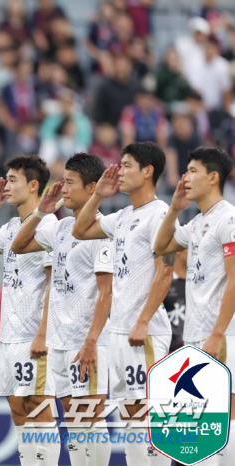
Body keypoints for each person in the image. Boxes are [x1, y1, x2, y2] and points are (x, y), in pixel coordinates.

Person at [71, 142, 174, 466]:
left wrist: (143, 321)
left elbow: (165, 271)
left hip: (143, 332)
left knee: (145, 413)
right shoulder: (124, 215)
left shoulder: (159, 214)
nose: (120, 171)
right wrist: (98, 195)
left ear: (148, 171)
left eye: (127, 165)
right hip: (120, 332)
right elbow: (80, 228)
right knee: (131, 414)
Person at [11, 153, 114, 466]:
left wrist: (92, 341)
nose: (63, 188)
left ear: (93, 187)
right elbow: (18, 245)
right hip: (60, 342)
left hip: (87, 341)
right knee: (73, 423)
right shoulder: (62, 226)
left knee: (88, 421)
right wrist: (42, 212)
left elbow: (107, 292)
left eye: (70, 182)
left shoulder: (102, 230)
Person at [0, 155, 60, 465]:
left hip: (35, 335)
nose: (6, 186)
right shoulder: (9, 227)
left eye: (13, 180)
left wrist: (43, 335)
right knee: (19, 407)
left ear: (34, 185)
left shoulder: (49, 225)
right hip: (9, 337)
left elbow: (53, 286)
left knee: (39, 406)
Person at [154, 147, 235, 464]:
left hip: (222, 334)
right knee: (203, 423)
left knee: (224, 416)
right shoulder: (200, 222)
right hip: (198, 334)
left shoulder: (229, 219)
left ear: (213, 177)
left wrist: (217, 333)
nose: (184, 177)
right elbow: (161, 246)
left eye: (192, 171)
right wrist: (174, 210)